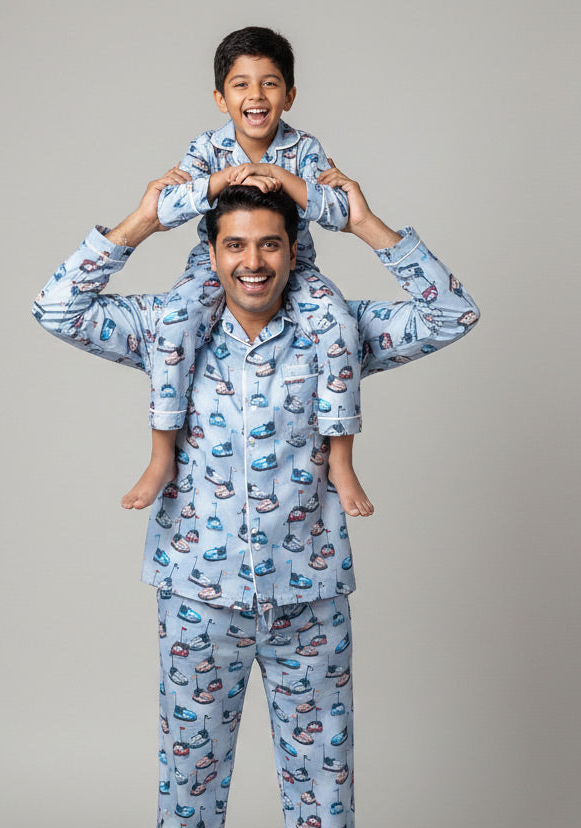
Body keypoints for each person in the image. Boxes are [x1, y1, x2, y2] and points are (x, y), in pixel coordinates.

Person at [31, 168, 479, 828]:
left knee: (325, 776)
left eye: (269, 243)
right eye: (234, 244)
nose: (252, 261)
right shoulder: (172, 327)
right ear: (212, 252)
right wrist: (138, 219)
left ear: (292, 250)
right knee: (189, 772)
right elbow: (56, 308)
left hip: (308, 597)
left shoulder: (335, 329)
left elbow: (453, 312)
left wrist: (365, 220)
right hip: (200, 597)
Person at [123, 26, 374, 520]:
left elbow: (339, 210)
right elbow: (166, 207)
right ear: (221, 97)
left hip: (292, 269)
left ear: (290, 94)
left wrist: (285, 180)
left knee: (341, 327)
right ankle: (160, 456)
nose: (256, 96)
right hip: (214, 265)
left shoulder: (304, 148)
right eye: (241, 84)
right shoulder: (207, 148)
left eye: (270, 83)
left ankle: (341, 461)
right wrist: (225, 179)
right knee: (173, 325)